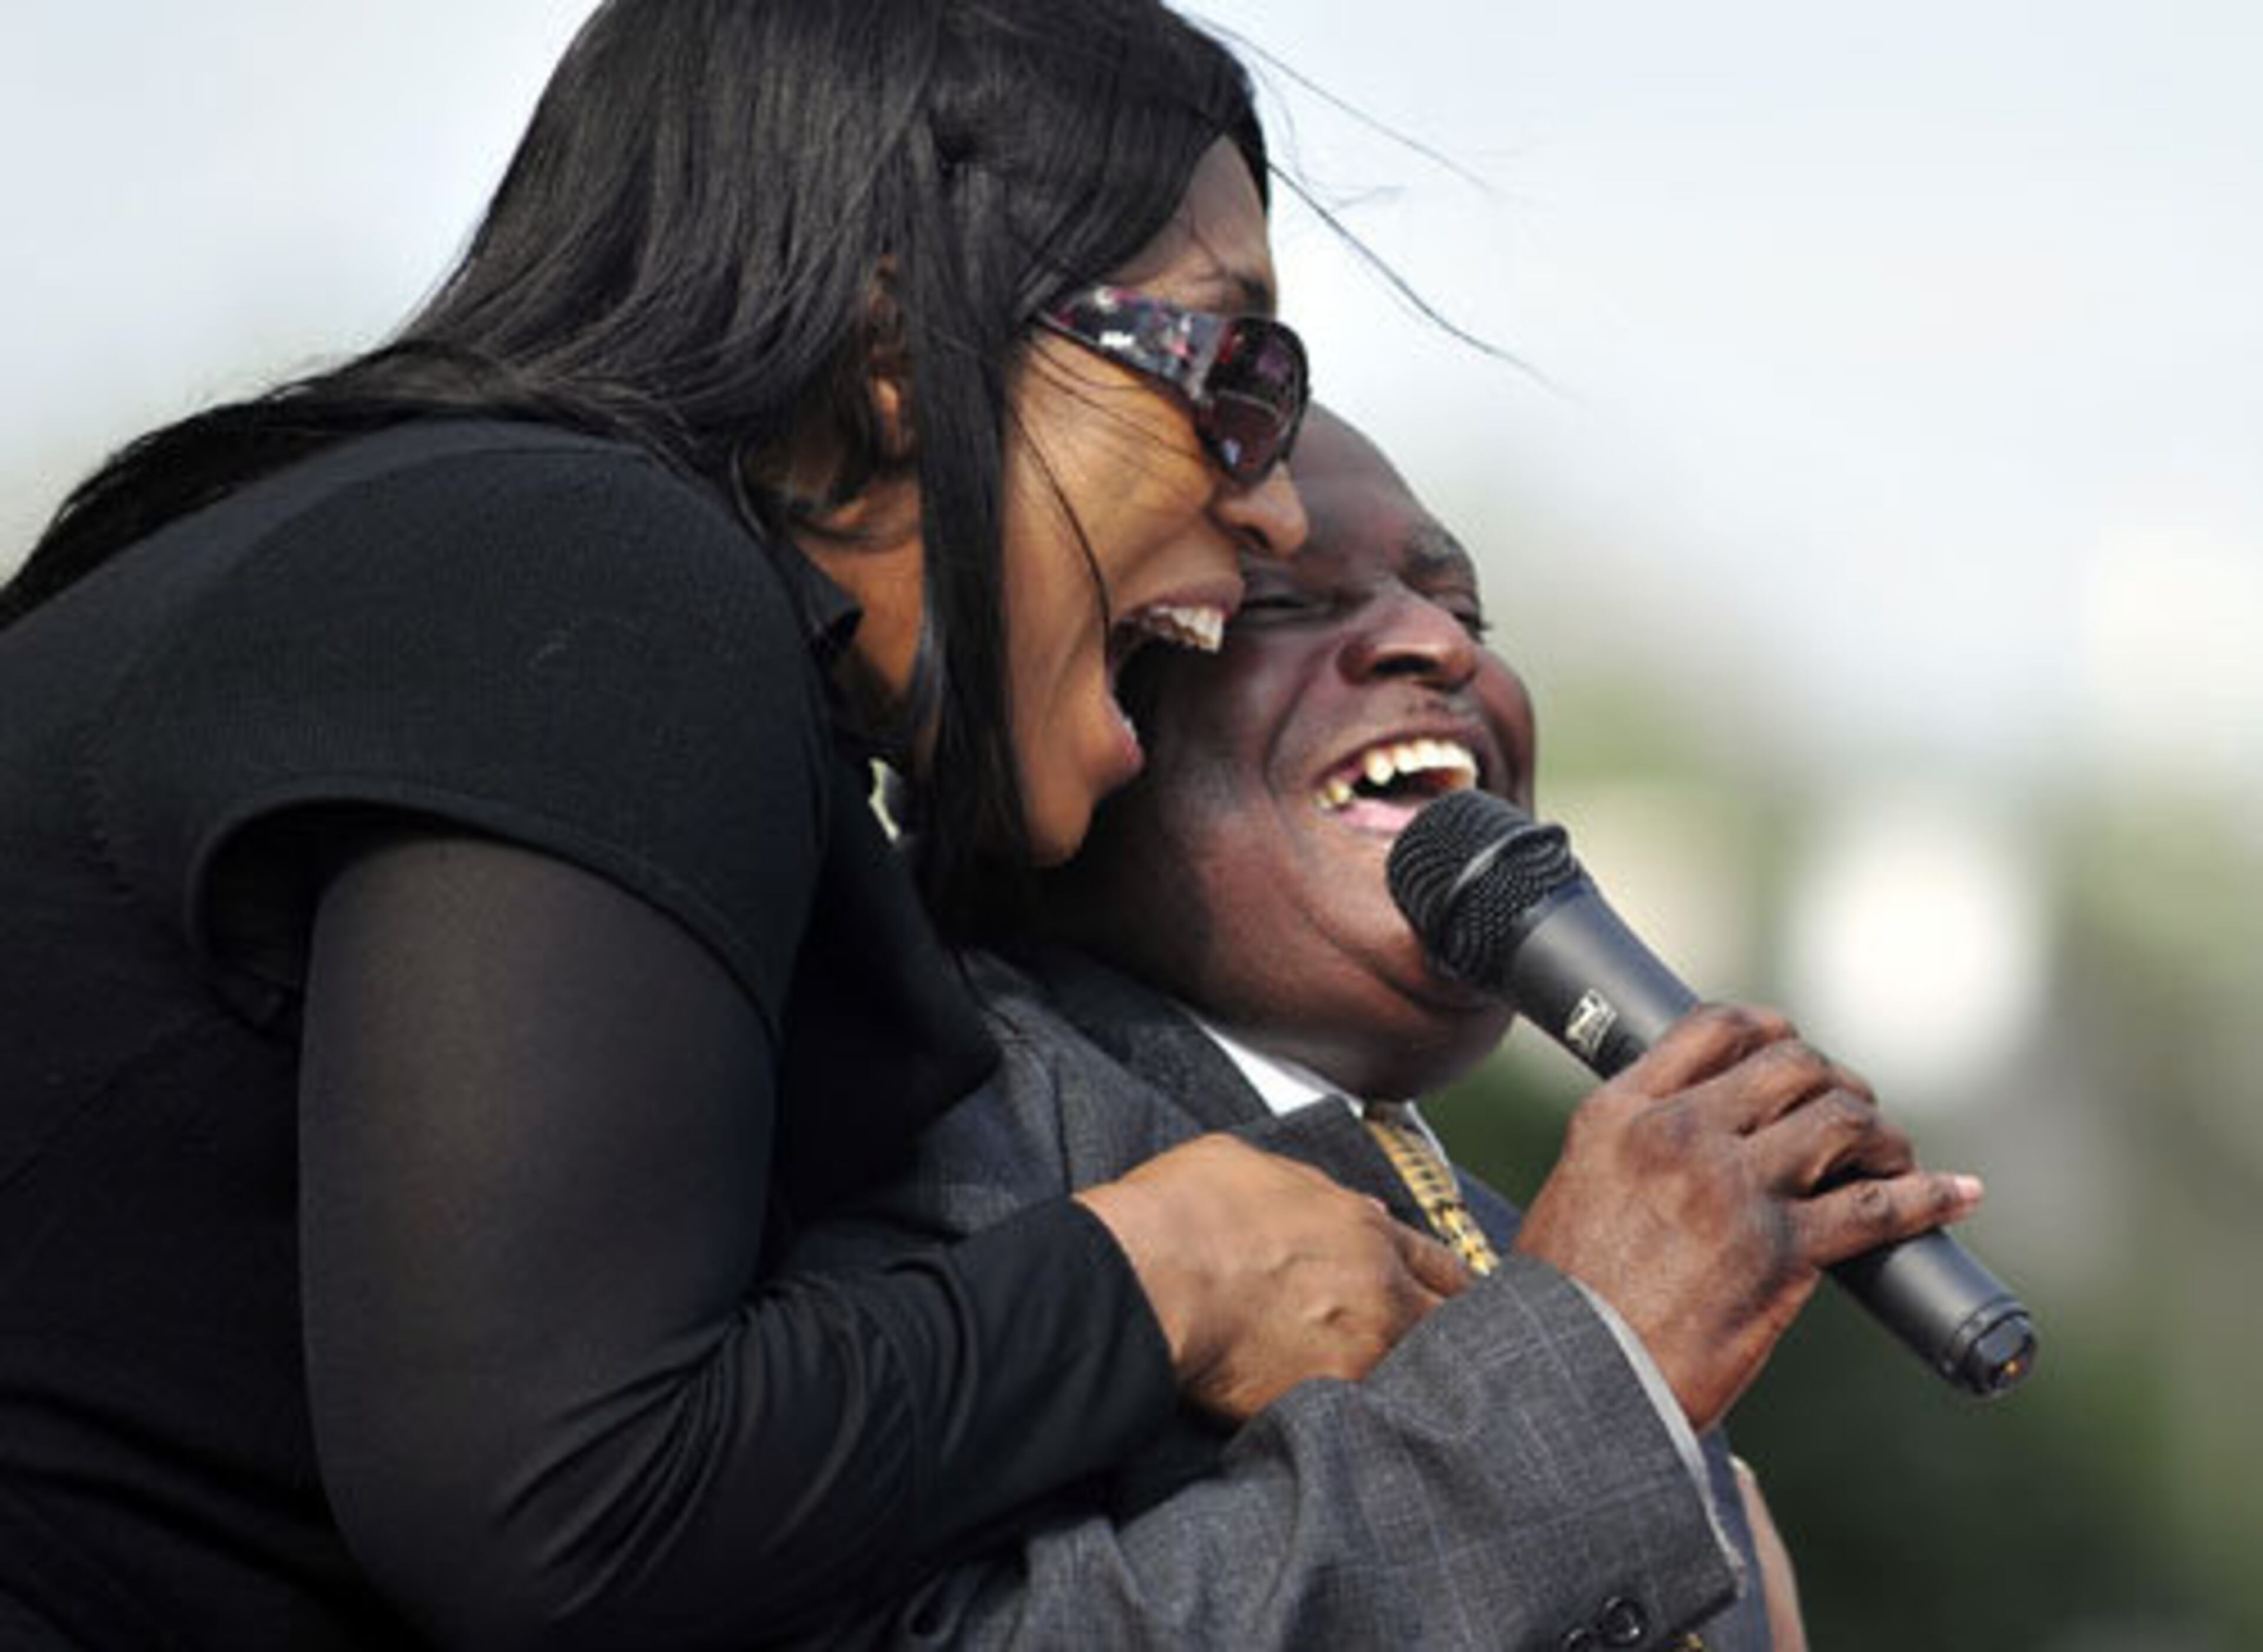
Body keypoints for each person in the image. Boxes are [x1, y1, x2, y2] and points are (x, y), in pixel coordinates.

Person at [0, 7, 1476, 1647]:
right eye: (1233, 372)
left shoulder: (487, 552)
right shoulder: (602, 581)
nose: (1271, 500)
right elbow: (564, 1499)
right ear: (901, 352)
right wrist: (1164, 1273)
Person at [787, 407, 1978, 1648]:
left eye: (1465, 612)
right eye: (1283, 601)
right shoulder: (929, 1130)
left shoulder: (1564, 1252)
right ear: (1078, 703)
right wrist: (1577, 1383)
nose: (1433, 643)